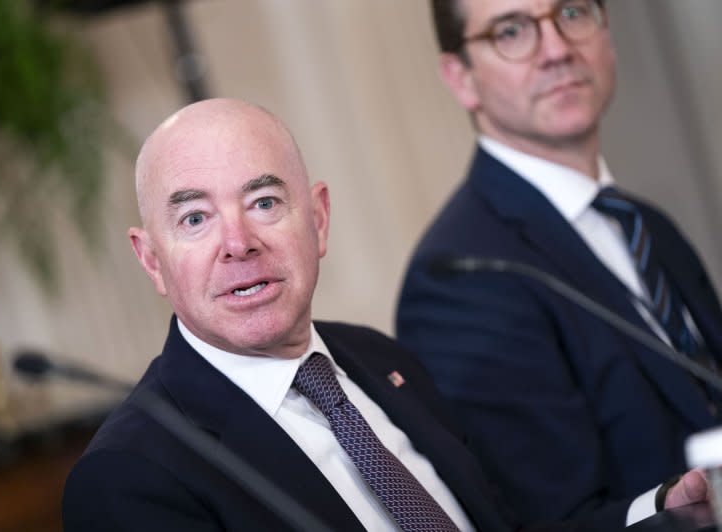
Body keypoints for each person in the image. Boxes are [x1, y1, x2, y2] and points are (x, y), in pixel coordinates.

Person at [62, 98, 706, 532]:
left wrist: (665, 511)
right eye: (195, 218)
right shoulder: (129, 478)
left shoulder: (380, 361)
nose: (238, 242)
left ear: (317, 221)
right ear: (152, 261)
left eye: (263, 201)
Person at [396, 0, 722, 527]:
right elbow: (550, 521)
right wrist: (680, 511)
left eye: (571, 13)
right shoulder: (460, 277)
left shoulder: (646, 224)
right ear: (462, 78)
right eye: (511, 30)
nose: (556, 50)